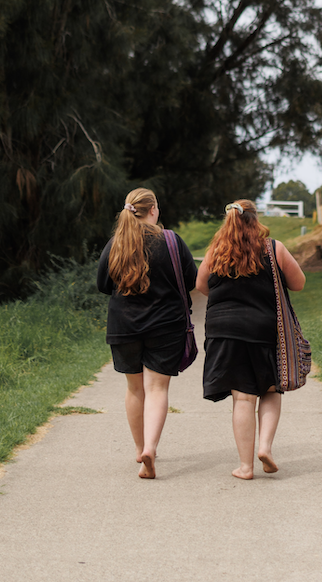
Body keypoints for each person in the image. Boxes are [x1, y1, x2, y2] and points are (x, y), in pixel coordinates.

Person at [196, 199, 306, 480]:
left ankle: (245, 467)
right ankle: (265, 448)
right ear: (256, 220)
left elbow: (201, 286)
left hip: (224, 331)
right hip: (262, 329)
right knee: (270, 390)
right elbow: (299, 282)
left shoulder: (216, 251)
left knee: (243, 399)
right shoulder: (273, 248)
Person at [97, 188, 197, 479]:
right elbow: (190, 279)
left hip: (124, 326)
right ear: (153, 210)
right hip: (166, 326)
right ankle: (150, 449)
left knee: (134, 389)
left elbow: (103, 284)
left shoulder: (117, 242)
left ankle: (140, 448)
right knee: (157, 389)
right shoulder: (171, 241)